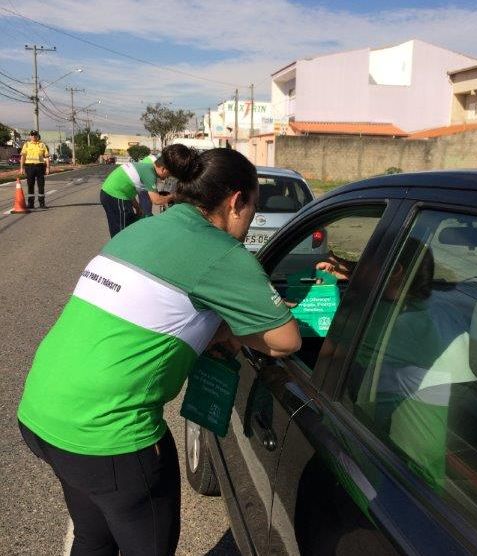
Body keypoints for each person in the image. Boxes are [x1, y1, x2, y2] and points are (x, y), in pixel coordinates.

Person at [17, 147, 301, 556]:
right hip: (109, 434)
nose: (251, 219)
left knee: (93, 537)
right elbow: (287, 340)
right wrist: (232, 333)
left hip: (41, 413)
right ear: (237, 200)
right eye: (254, 208)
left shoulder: (141, 229)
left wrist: (211, 330)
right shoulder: (221, 251)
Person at [100, 146, 179, 237]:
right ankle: (119, 245)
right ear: (163, 169)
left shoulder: (146, 167)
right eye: (168, 174)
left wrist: (137, 207)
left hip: (115, 194)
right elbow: (157, 200)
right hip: (114, 195)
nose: (167, 177)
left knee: (128, 223)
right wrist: (174, 196)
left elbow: (128, 189)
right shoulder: (149, 173)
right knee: (121, 231)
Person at [19, 130, 50, 209]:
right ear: (30, 136)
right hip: (29, 167)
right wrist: (21, 168)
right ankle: (31, 204)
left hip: (40, 167)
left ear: (37, 136)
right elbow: (23, 157)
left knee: (41, 185)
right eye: (32, 135)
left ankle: (42, 204)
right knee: (30, 185)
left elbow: (46, 157)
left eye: (35, 135)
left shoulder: (42, 145)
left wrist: (47, 168)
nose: (33, 136)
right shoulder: (26, 145)